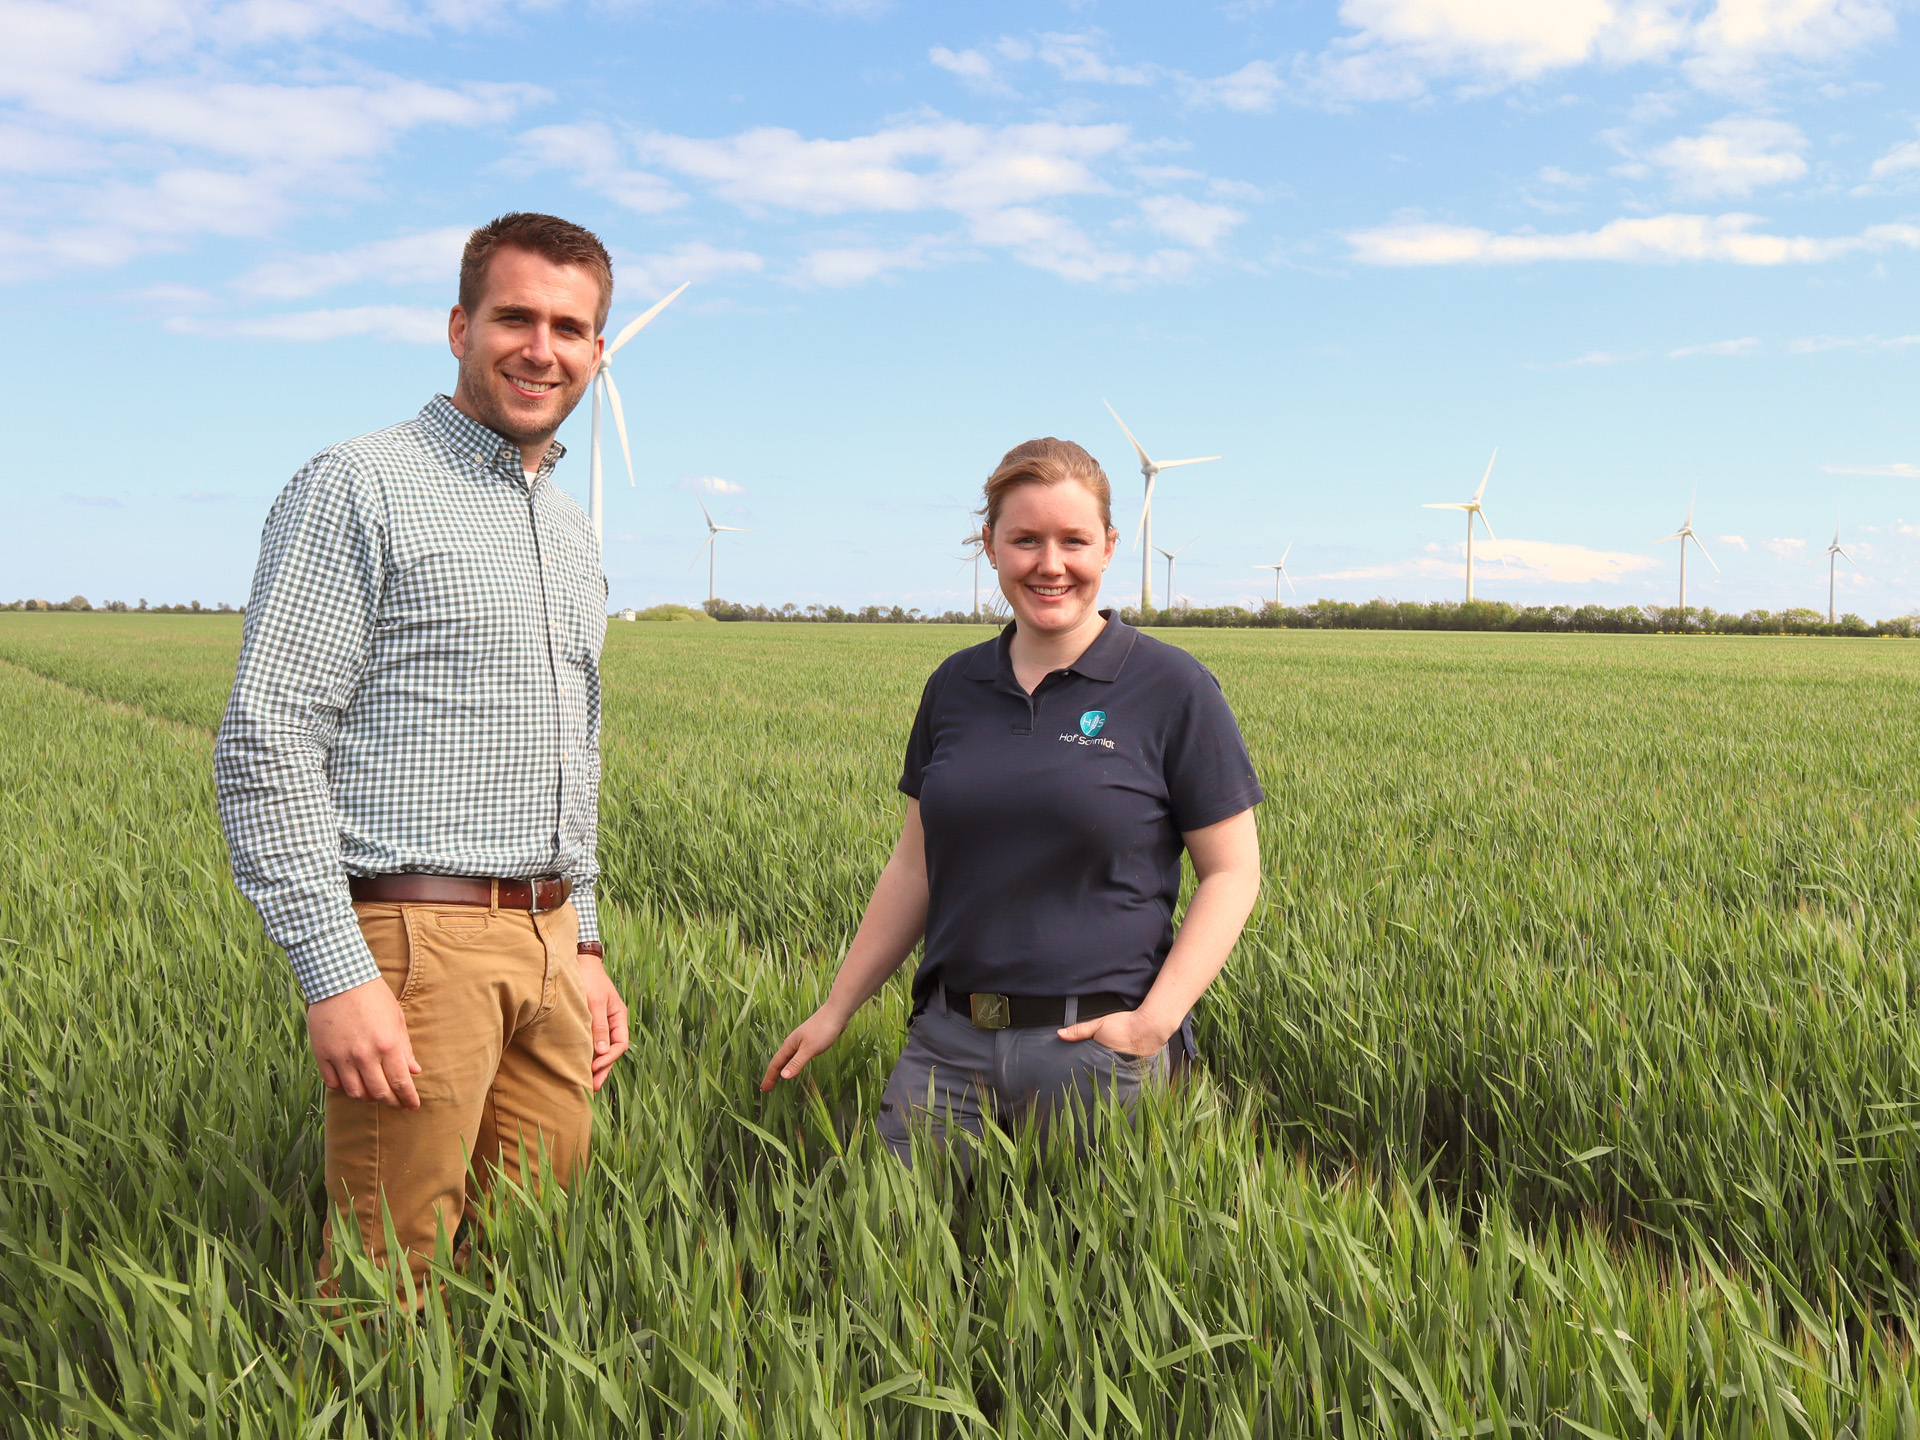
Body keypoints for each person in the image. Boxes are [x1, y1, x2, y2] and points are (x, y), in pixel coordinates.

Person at [214, 212, 632, 1293]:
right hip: (414, 939)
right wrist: (334, 970)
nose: (543, 348)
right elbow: (269, 732)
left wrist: (580, 941)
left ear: (598, 351)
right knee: (388, 1275)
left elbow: (570, 748)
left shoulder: (573, 531)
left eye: (572, 327)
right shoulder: (359, 484)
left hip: (545, 939)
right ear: (459, 326)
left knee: (526, 1259)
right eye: (516, 317)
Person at [761, 438, 1263, 1164]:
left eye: (1074, 540)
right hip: (947, 1051)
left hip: (1098, 1057)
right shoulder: (954, 686)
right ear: (990, 546)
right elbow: (914, 869)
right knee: (897, 1259)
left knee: (1087, 1273)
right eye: (1024, 539)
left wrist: (1154, 1025)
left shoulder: (1173, 689)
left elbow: (1232, 872)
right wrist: (838, 1008)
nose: (1049, 564)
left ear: (1111, 547)